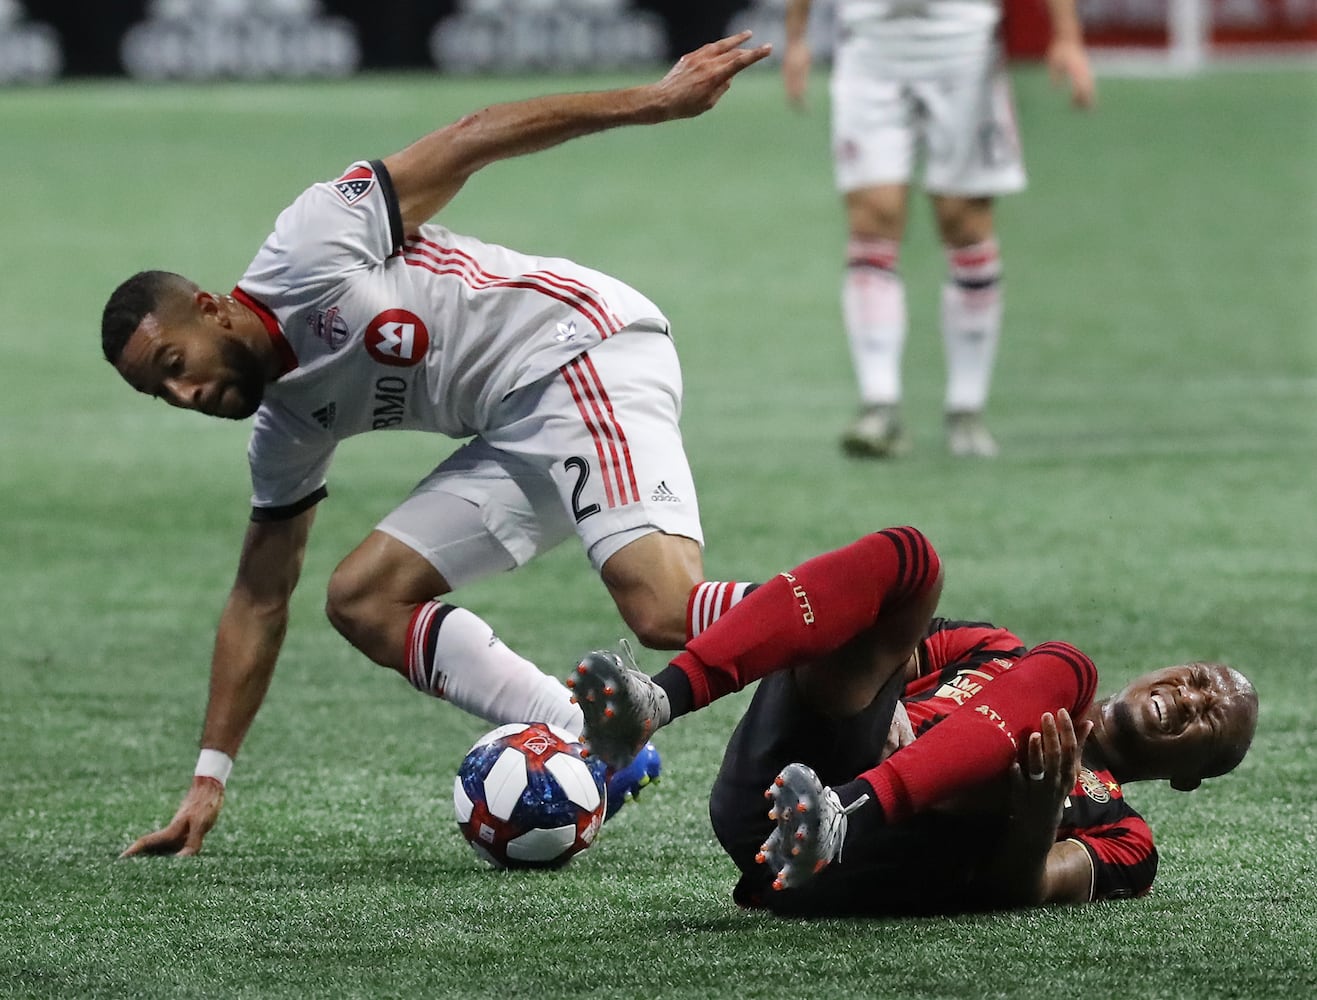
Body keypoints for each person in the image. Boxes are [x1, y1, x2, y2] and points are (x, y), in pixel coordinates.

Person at [105, 32, 773, 858]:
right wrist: (209, 778)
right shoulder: (285, 428)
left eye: (175, 365)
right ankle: (596, 742)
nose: (184, 394)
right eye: (160, 393)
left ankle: (864, 624)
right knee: (361, 599)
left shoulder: (310, 246)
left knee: (665, 611)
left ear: (208, 309)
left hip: (581, 350)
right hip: (514, 424)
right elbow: (258, 599)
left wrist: (656, 100)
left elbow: (475, 133)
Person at [568, 526, 1258, 915]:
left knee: (1067, 671)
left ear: (1191, 778)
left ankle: (842, 817)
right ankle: (653, 701)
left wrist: (1037, 815)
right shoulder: (994, 649)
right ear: (1164, 668)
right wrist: (888, 694)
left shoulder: (1126, 837)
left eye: (1210, 718)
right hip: (783, 789)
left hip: (864, 864)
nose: (1192, 699)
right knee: (910, 556)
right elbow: (868, 643)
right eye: (1199, 681)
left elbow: (1019, 893)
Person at [781, 0, 1096, 458]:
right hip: (871, 45)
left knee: (964, 221)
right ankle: (879, 403)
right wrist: (796, 37)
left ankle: (966, 408)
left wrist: (1067, 37)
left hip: (963, 44)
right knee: (874, 215)